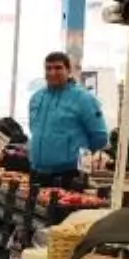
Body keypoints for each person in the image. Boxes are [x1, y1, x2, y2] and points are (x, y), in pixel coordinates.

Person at [28, 51, 109, 188]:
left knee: (63, 210)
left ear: (68, 70)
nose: (53, 72)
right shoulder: (37, 97)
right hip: (37, 172)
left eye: (58, 68)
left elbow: (100, 136)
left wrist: (77, 157)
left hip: (68, 175)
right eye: (48, 68)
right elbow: (33, 128)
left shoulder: (83, 99)